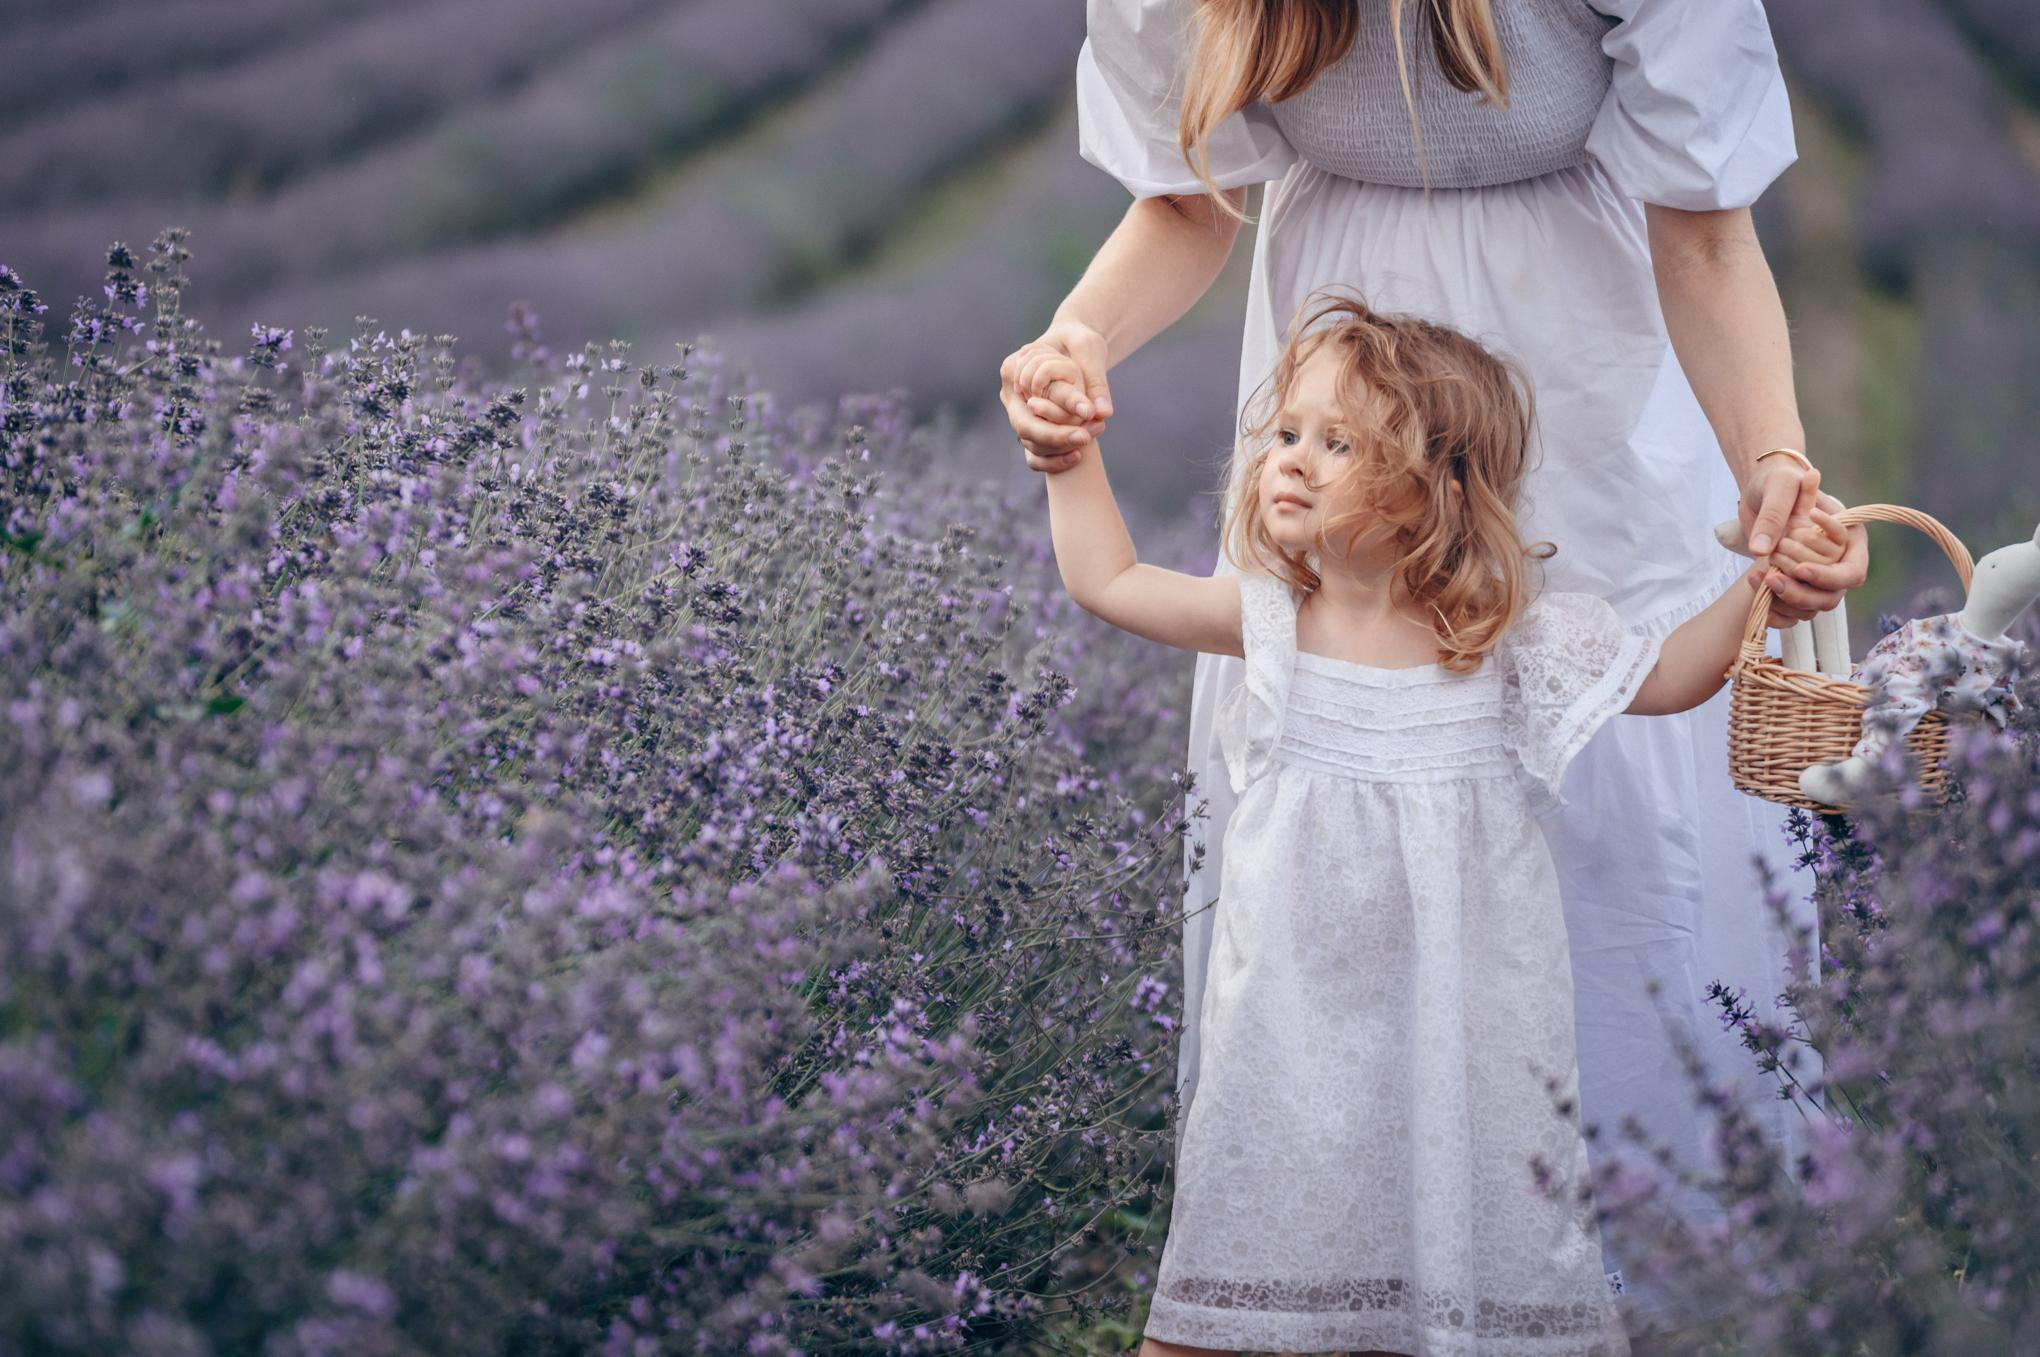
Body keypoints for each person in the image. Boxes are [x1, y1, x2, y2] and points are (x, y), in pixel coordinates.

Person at [999, 0, 1869, 1306]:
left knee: (1595, 787)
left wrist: (1775, 476)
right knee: (1332, 778)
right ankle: (1340, 1244)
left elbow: (1704, 233)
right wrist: (1077, 340)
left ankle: (1611, 1254)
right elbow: (1186, 205)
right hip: (1337, 361)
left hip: (1575, 349)